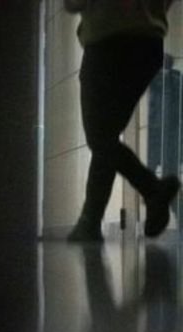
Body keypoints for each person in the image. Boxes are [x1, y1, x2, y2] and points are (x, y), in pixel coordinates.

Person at [65, 0, 181, 241]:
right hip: (148, 42)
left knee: (100, 137)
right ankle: (90, 222)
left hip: (107, 39)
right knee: (106, 137)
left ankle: (152, 189)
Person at [148, 54, 182, 221]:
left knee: (166, 178)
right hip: (162, 137)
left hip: (167, 138)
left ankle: (178, 213)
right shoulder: (160, 82)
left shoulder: (173, 81)